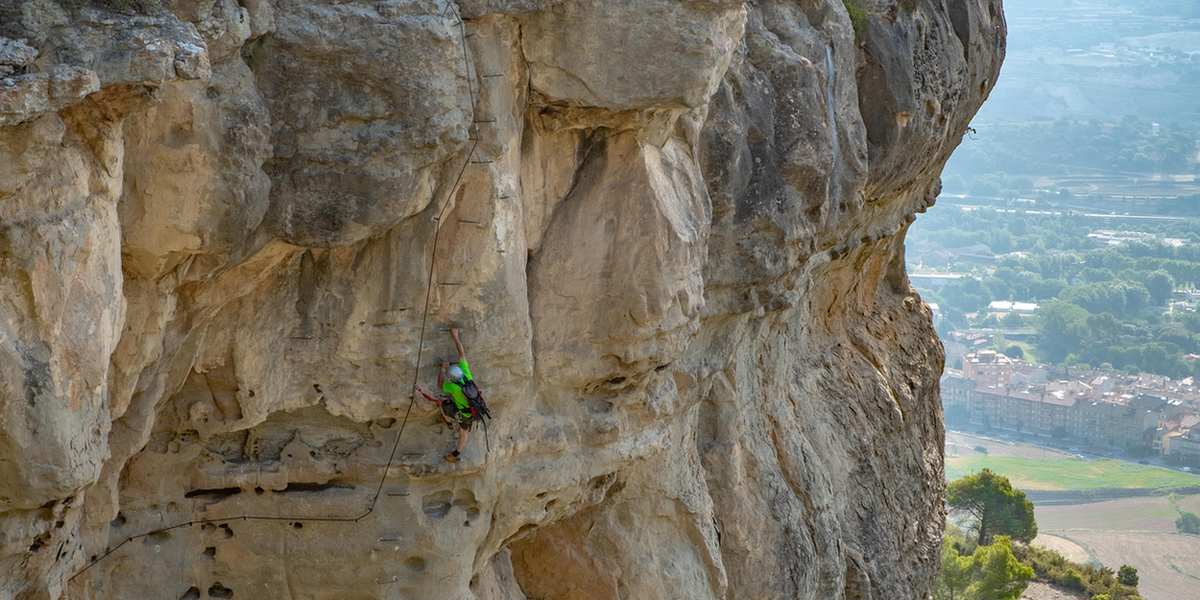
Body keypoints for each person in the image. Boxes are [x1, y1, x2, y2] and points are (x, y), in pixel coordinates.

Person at [415, 327, 482, 463]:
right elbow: (461, 354)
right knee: (465, 430)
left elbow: (439, 384)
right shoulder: (466, 374)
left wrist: (442, 369)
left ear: (451, 378)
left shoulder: (453, 387)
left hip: (464, 414)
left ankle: (450, 424)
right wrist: (455, 336)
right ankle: (456, 443)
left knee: (441, 403)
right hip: (475, 409)